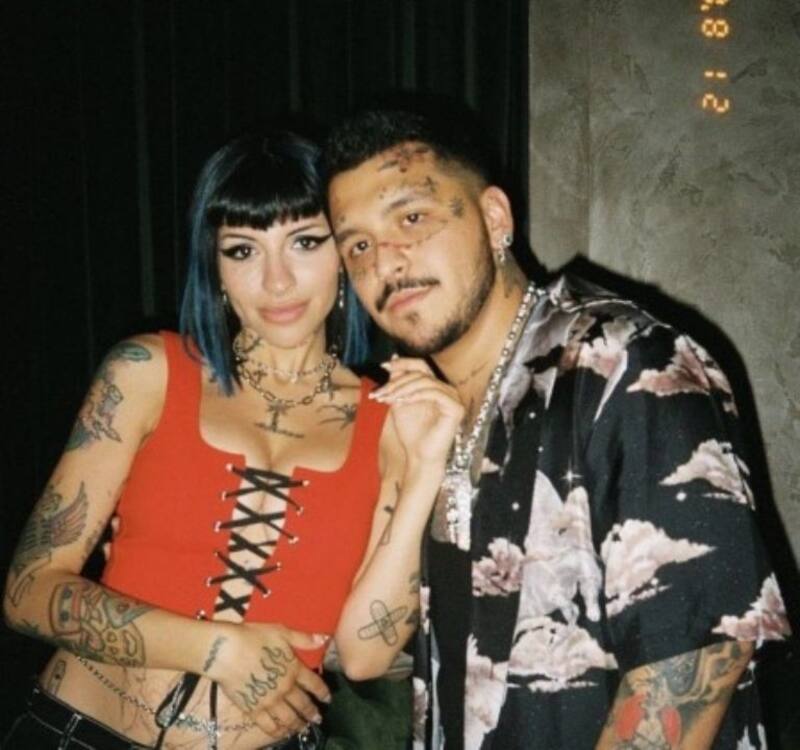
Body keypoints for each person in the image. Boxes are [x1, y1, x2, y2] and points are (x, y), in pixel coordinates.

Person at [321, 108, 793, 749]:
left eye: (412, 218)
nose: (386, 261)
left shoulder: (625, 365)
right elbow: (370, 651)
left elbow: (692, 666)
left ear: (495, 218)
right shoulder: (431, 413)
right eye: (357, 245)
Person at [2, 131, 462, 749]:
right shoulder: (146, 373)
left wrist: (428, 466)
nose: (277, 281)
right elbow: (27, 592)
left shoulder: (391, 426)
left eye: (305, 242)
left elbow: (364, 655)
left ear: (344, 253)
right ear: (214, 267)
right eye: (243, 250)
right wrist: (217, 648)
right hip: (77, 734)